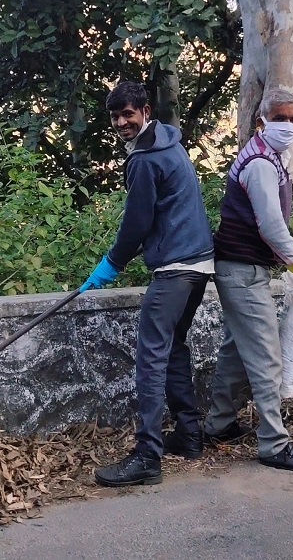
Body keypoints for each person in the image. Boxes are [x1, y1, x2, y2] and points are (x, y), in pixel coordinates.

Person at [80, 81, 214, 487]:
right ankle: (189, 436)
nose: (122, 122)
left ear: (145, 110)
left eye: (128, 114)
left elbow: (137, 222)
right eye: (115, 116)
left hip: (175, 268)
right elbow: (164, 212)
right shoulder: (170, 145)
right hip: (200, 264)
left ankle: (147, 456)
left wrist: (111, 264)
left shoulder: (144, 159)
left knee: (151, 358)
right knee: (173, 348)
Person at [202, 88, 293, 472]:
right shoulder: (260, 162)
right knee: (267, 358)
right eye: (281, 118)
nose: (289, 125)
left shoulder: (268, 156)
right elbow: (271, 226)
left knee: (236, 352)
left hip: (240, 267)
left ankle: (218, 423)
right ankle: (274, 444)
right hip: (242, 270)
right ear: (262, 122)